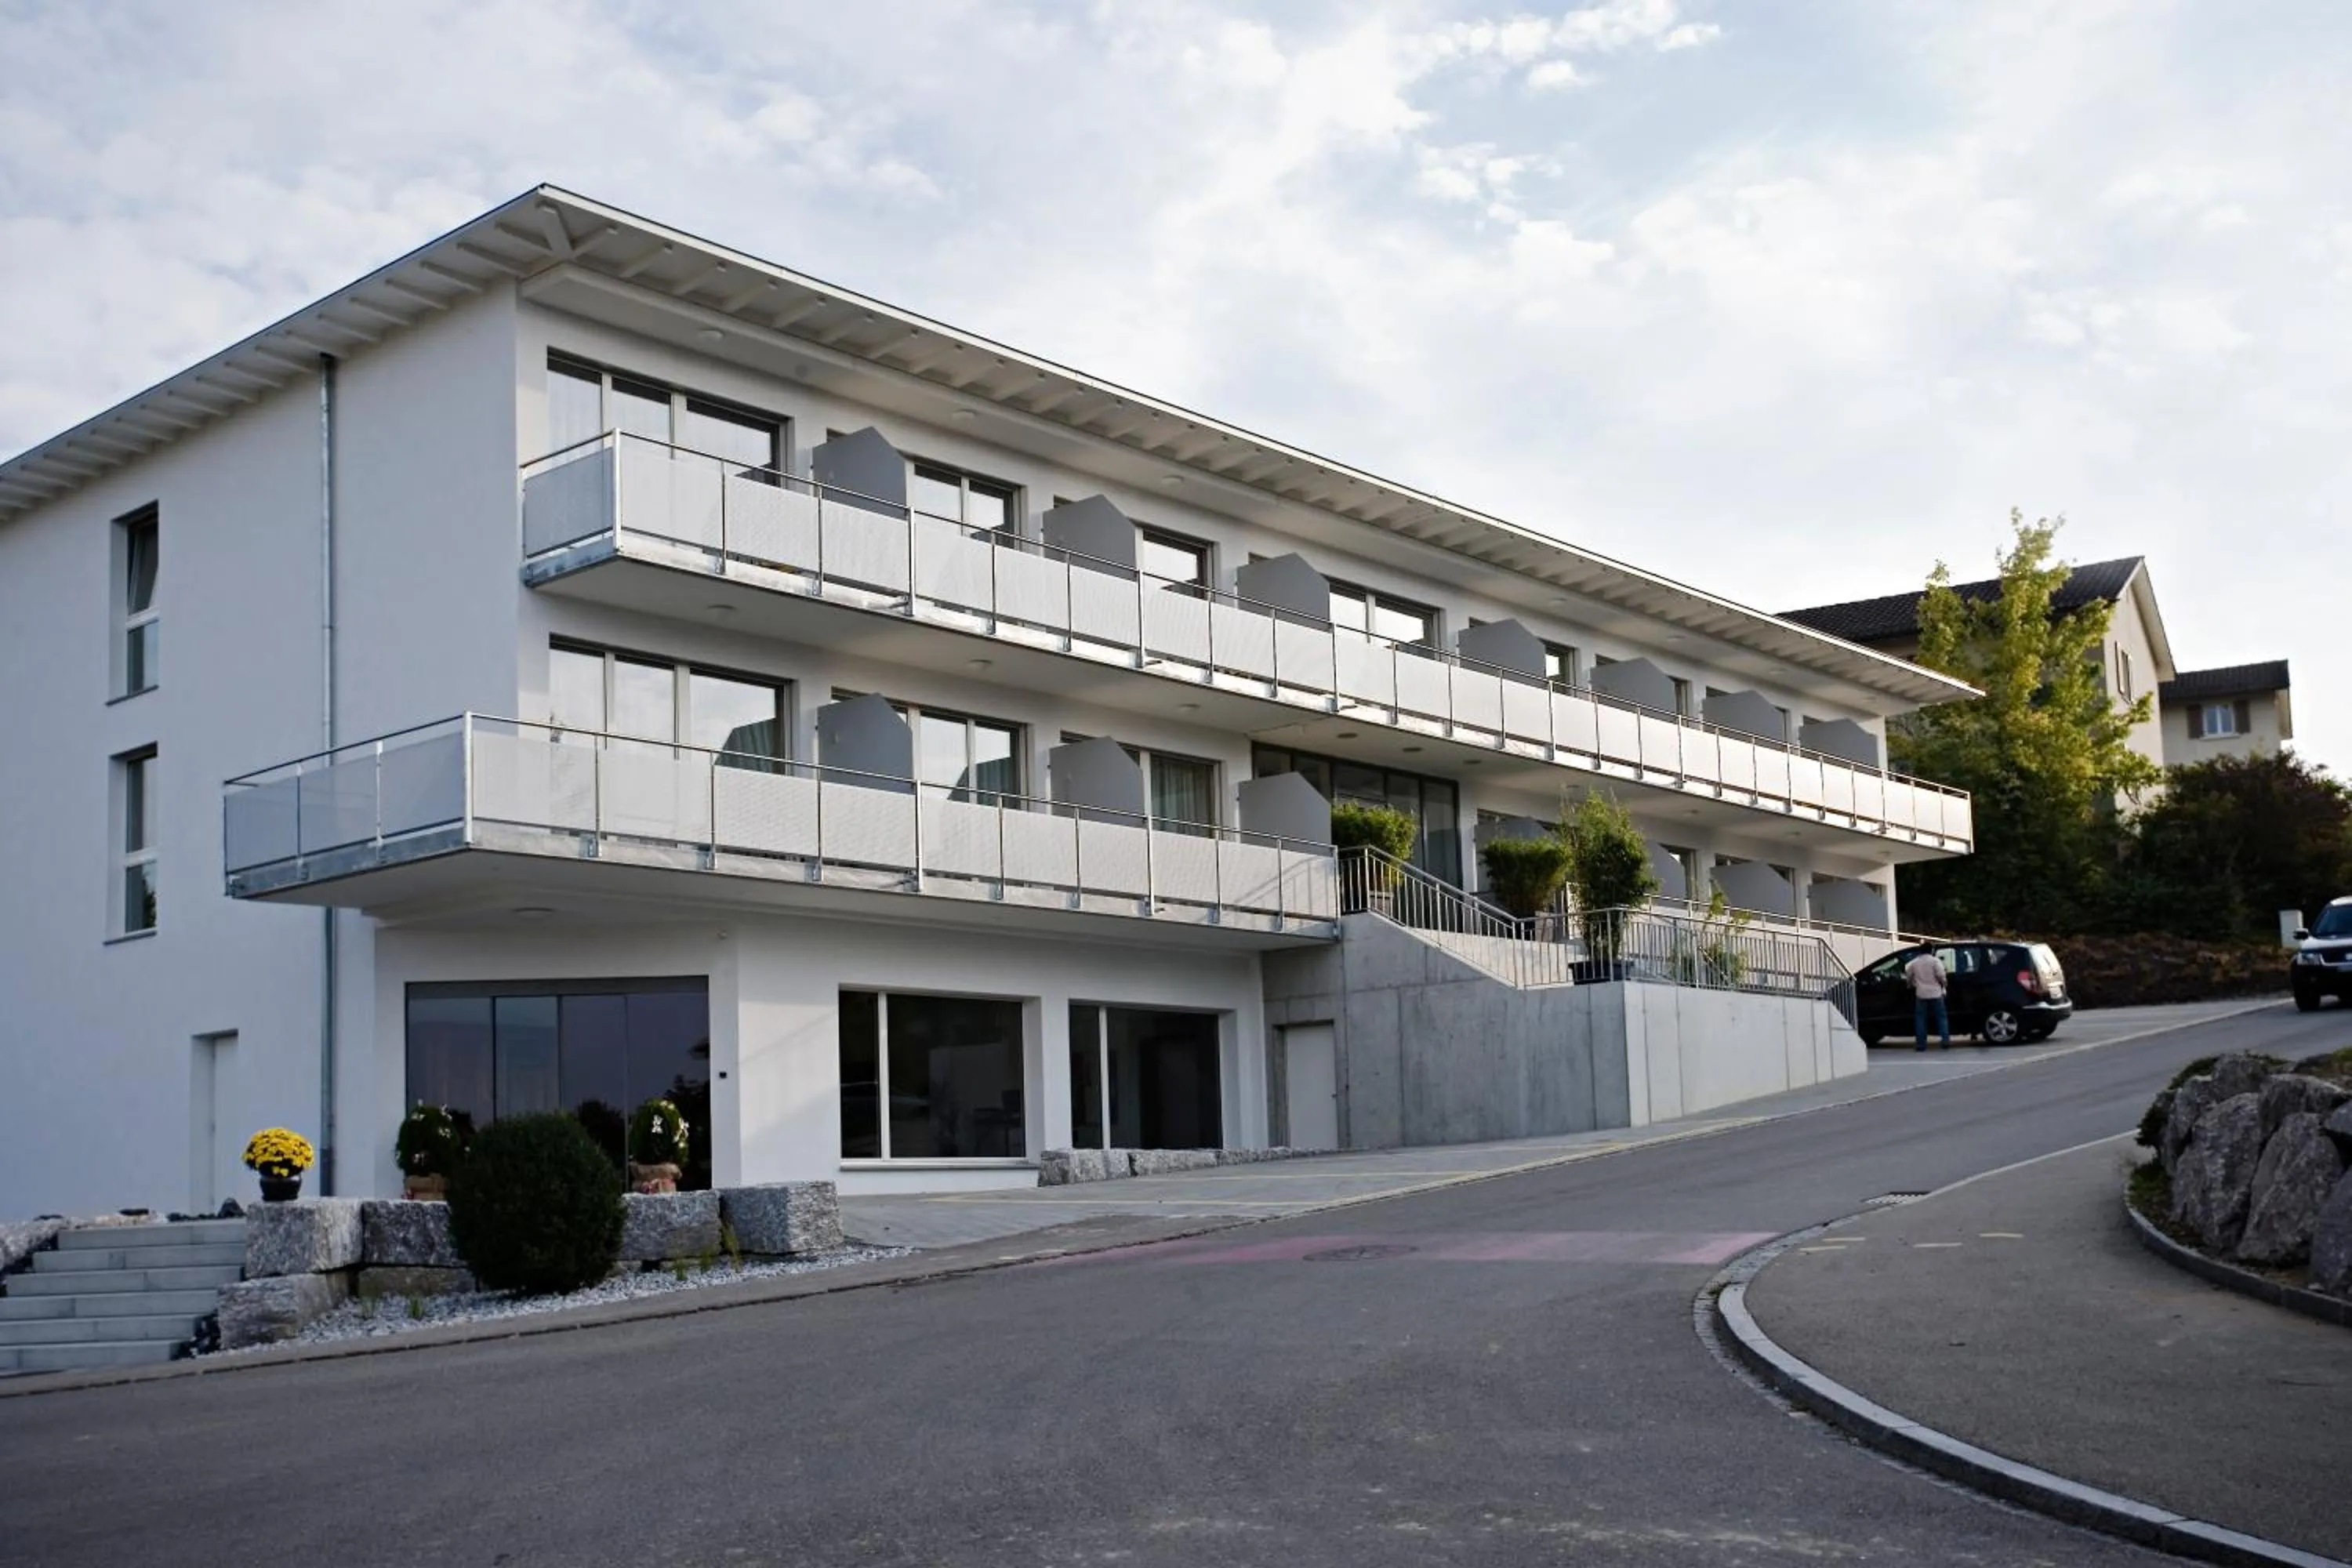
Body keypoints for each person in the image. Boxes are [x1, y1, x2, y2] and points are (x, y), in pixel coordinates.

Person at [1904, 947, 1951, 1051]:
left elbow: (1908, 976)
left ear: (1920, 951)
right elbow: (1941, 975)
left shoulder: (1915, 963)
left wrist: (1911, 984)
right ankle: (1945, 1041)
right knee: (1941, 1018)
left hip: (1921, 994)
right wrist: (1944, 984)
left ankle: (1921, 1045)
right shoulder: (1935, 961)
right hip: (1936, 993)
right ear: (1932, 951)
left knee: (1921, 1020)